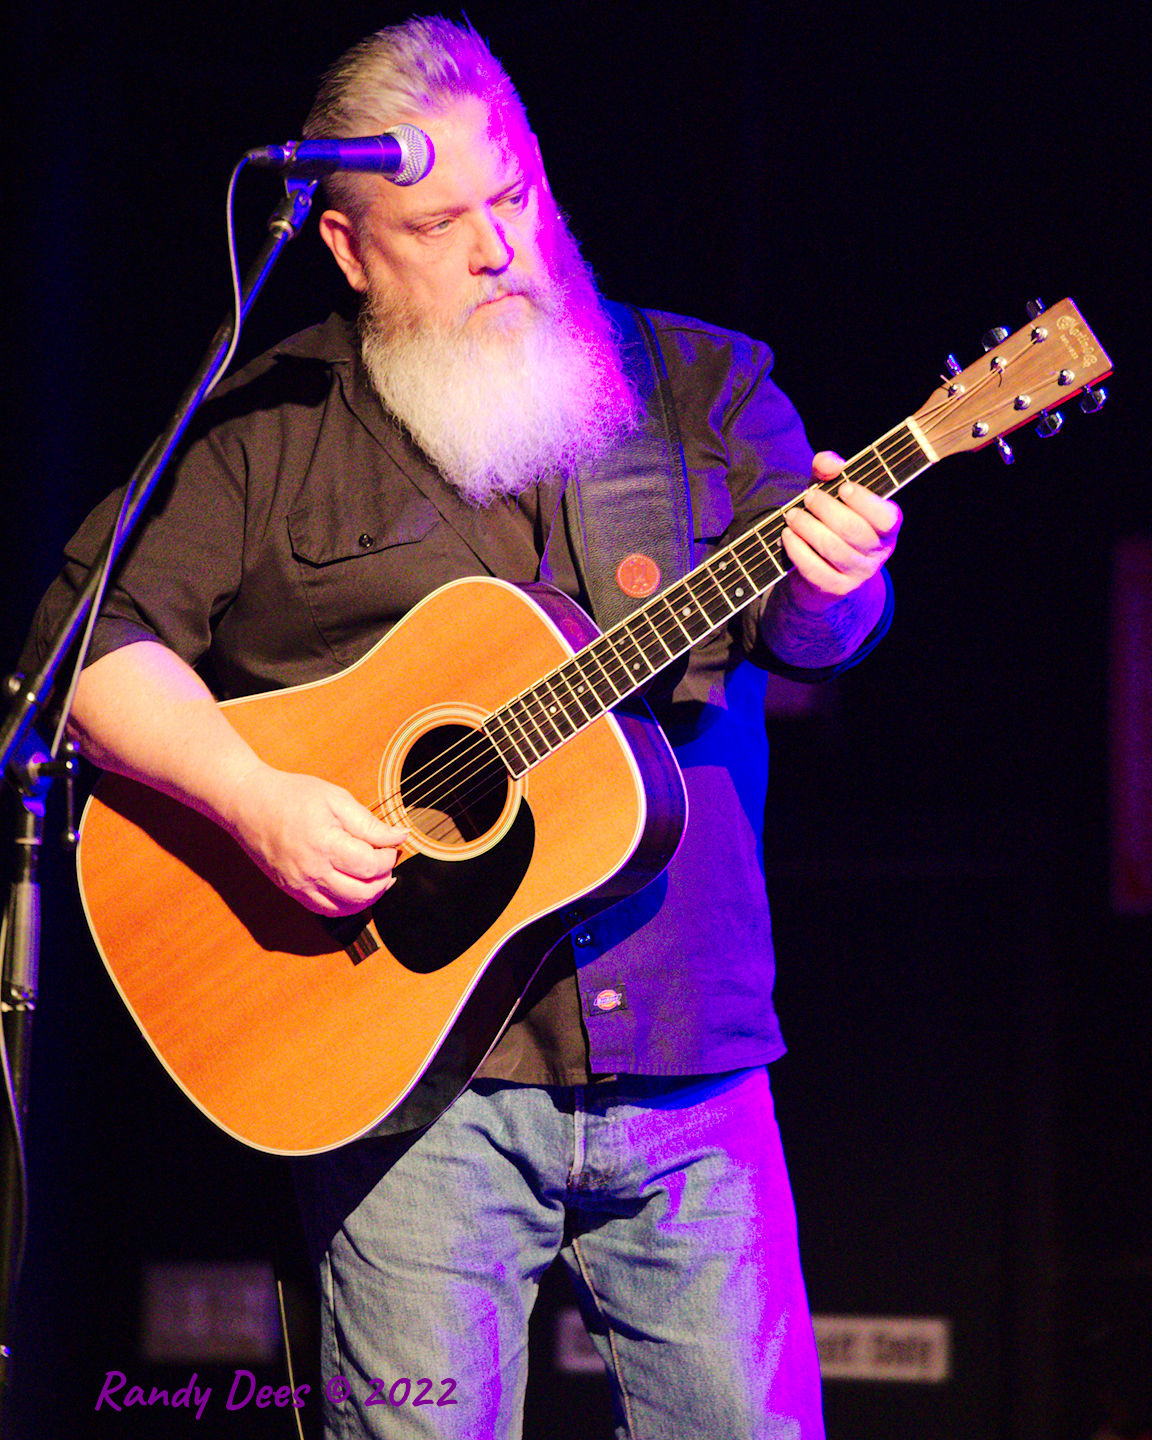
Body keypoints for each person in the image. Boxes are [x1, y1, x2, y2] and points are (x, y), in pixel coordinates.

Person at [29, 17, 902, 1439]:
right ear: (348, 246)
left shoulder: (704, 386)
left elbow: (816, 639)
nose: (502, 248)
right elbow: (89, 653)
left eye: (516, 196)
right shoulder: (266, 426)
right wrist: (254, 798)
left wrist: (837, 585)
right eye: (441, 224)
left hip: (686, 1051)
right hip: (402, 1071)